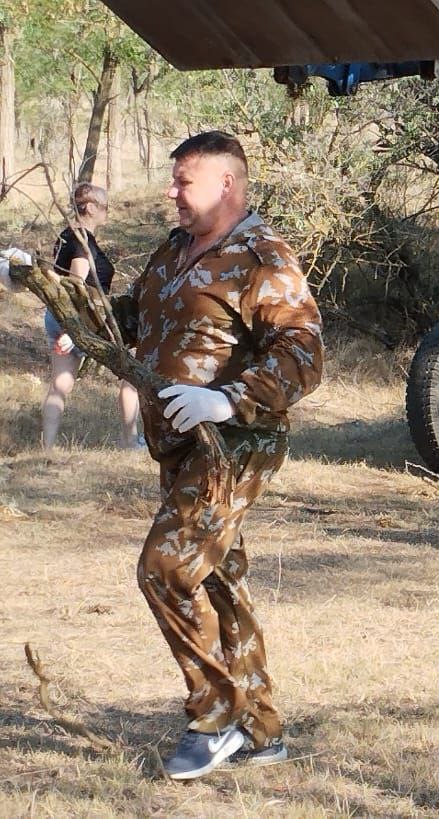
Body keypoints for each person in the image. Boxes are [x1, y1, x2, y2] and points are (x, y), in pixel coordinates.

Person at [111, 131, 323, 779]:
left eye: (185, 181)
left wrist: (228, 400)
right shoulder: (175, 250)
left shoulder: (261, 255)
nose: (172, 192)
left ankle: (215, 715)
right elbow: (134, 318)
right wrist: (57, 294)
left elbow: (303, 352)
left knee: (166, 567)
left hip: (236, 441)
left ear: (227, 185)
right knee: (217, 578)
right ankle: (261, 729)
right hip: (179, 442)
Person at [39, 183, 141, 449]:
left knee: (61, 383)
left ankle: (46, 447)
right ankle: (130, 441)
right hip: (79, 320)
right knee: (134, 371)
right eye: (105, 206)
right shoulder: (83, 241)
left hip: (57, 314)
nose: (107, 212)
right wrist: (73, 331)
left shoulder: (65, 236)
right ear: (91, 207)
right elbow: (76, 285)